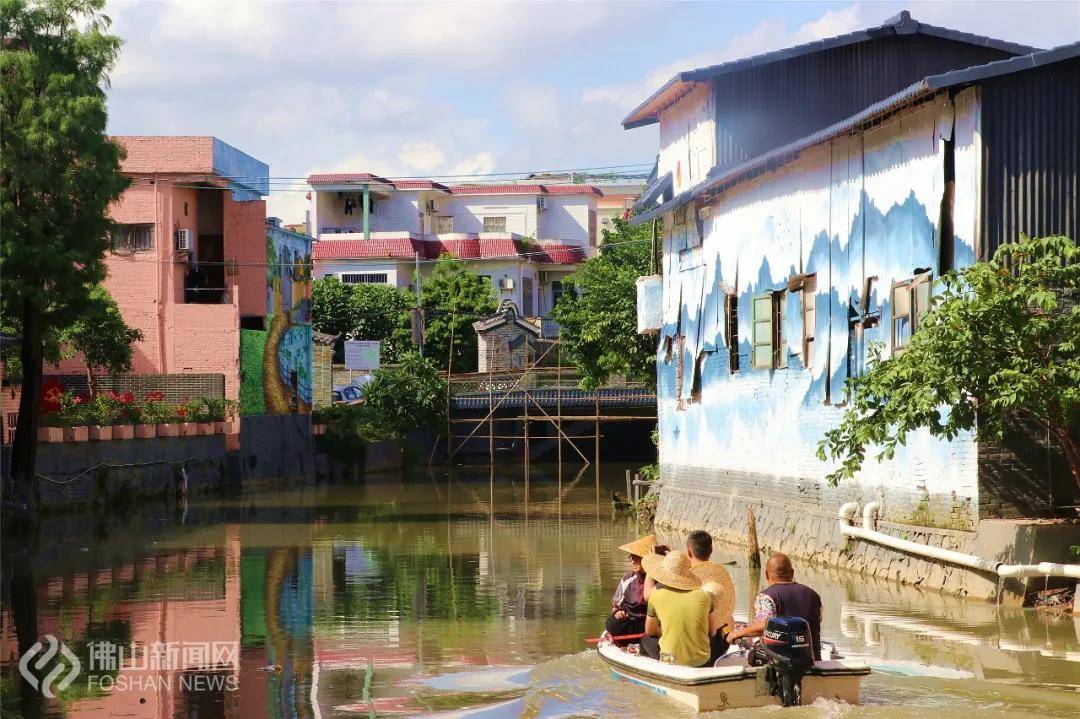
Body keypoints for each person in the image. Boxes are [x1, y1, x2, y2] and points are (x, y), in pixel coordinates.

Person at [644, 530, 735, 664]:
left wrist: (657, 564)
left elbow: (647, 598)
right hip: (707, 649)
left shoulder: (658, 594)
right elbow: (712, 632)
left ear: (689, 552)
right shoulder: (709, 591)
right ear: (711, 549)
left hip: (672, 655)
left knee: (646, 639)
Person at [726, 553, 823, 661]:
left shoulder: (766, 597)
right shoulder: (814, 596)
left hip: (780, 665)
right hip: (814, 662)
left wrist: (738, 633)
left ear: (767, 575)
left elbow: (763, 626)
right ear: (792, 573)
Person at [640, 552, 723, 667]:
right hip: (702, 661)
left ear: (663, 574)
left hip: (670, 660)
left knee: (646, 639)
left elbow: (650, 630)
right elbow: (713, 631)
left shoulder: (655, 596)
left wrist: (666, 632)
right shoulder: (705, 596)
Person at [605, 535, 654, 638]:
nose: (633, 561)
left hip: (650, 622)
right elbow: (616, 603)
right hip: (631, 620)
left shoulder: (658, 582)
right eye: (631, 557)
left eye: (636, 557)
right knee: (611, 623)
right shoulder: (628, 579)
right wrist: (618, 612)